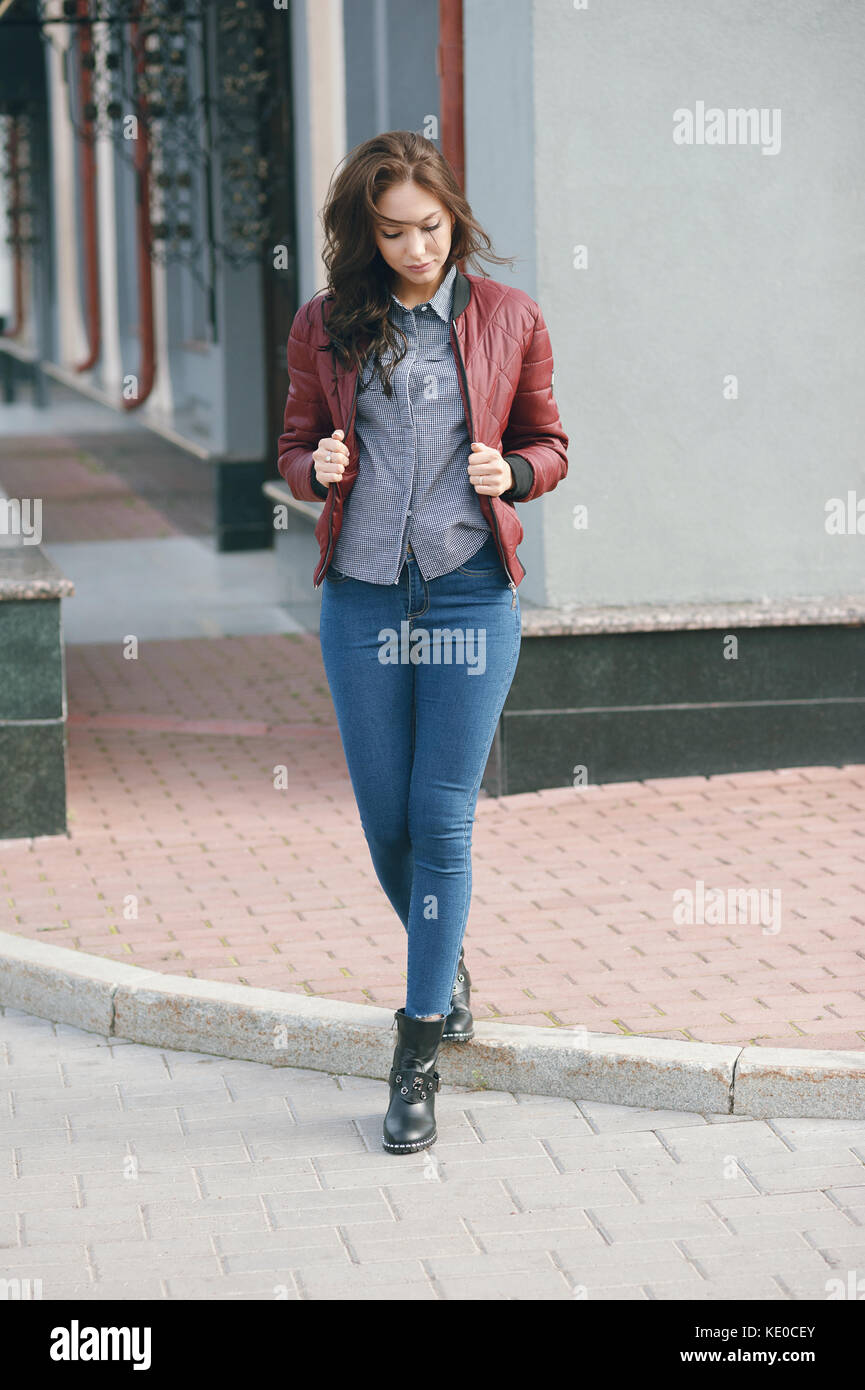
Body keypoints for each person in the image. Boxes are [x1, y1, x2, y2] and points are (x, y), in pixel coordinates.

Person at [277, 130, 568, 1154]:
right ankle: (445, 970)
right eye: (392, 231)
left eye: (430, 228)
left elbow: (549, 441)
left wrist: (516, 476)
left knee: (441, 823)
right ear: (365, 231)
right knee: (384, 827)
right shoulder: (324, 323)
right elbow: (291, 447)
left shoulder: (508, 318)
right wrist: (315, 465)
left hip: (468, 593)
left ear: (454, 217)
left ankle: (416, 1057)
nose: (415, 249)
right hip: (361, 598)